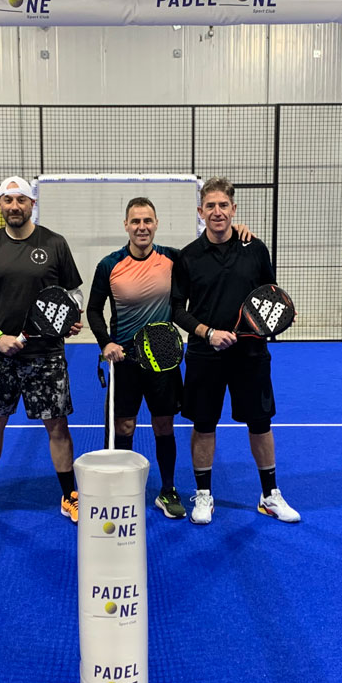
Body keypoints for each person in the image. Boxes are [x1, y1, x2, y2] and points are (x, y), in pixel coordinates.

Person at [87, 197, 255, 520]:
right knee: (124, 425)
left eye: (147, 221)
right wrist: (106, 342)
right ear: (126, 225)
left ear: (156, 224)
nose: (142, 227)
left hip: (163, 360)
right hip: (125, 360)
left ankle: (167, 490)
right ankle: (124, 490)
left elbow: (209, 253)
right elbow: (94, 310)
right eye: (136, 221)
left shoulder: (174, 259)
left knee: (164, 424)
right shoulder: (109, 264)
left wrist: (237, 233)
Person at [170, 176, 300, 524]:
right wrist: (207, 332)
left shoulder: (254, 249)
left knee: (260, 423)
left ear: (234, 209)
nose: (217, 211)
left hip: (250, 355)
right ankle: (203, 495)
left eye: (223, 205)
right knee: (203, 424)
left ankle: (269, 495)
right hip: (205, 354)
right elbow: (177, 309)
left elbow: (270, 296)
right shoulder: (188, 256)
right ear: (200, 212)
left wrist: (280, 317)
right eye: (210, 206)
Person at [0, 176, 85, 524]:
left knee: (57, 426)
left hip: (46, 355)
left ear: (32, 204)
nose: (14, 206)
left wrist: (71, 315)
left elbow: (73, 292)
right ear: (0, 204)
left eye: (21, 200)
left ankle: (69, 496)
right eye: (8, 200)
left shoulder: (55, 243)